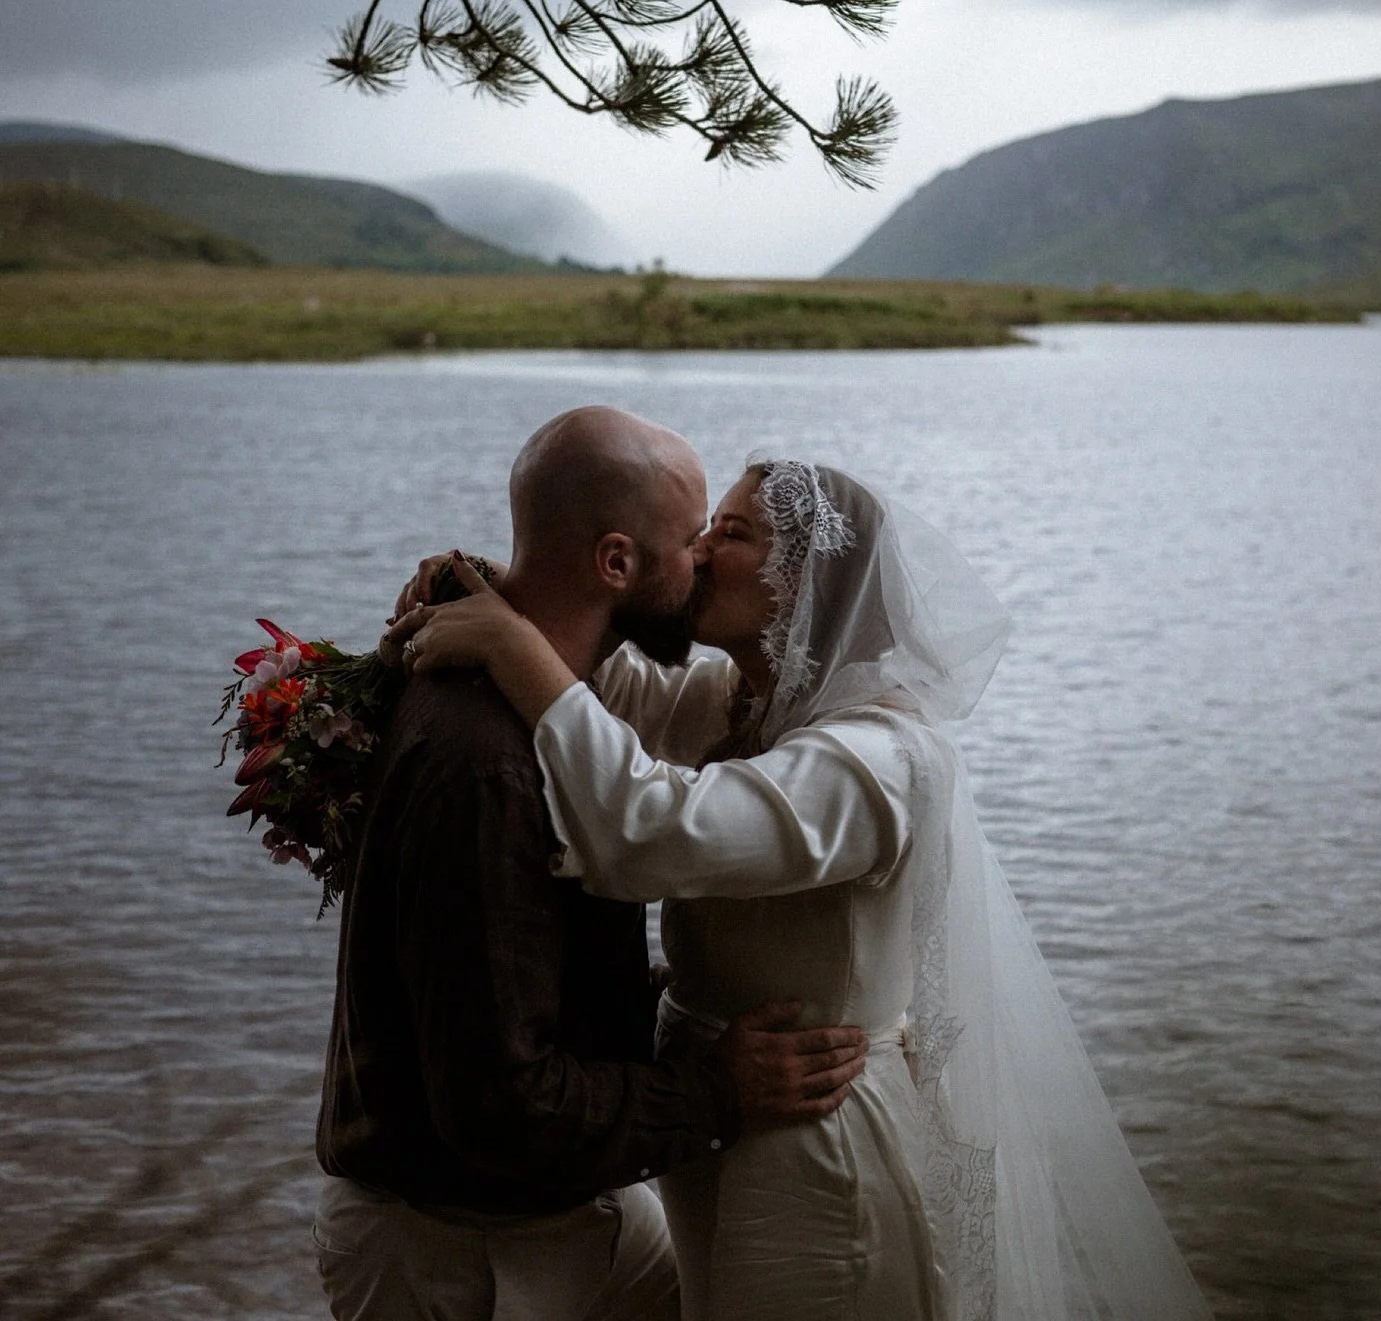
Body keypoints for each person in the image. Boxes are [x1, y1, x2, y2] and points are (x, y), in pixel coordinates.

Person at [390, 455, 1217, 1321]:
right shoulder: (747, 703)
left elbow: (651, 828)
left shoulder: (883, 761)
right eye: (705, 528)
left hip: (819, 1140)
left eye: (731, 533)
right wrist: (503, 590)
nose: (698, 551)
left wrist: (511, 643)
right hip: (732, 1112)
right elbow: (611, 695)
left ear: (812, 579)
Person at [314, 411, 867, 1321]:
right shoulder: (487, 761)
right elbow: (501, 1104)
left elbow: (521, 962)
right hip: (462, 1253)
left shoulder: (544, 707)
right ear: (616, 563)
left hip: (556, 1213)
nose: (702, 565)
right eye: (694, 540)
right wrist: (721, 1087)